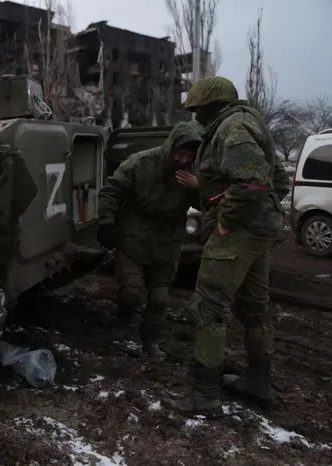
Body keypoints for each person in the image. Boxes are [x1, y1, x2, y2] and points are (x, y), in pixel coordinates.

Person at [172, 76, 290, 418]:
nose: (196, 117)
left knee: (208, 307)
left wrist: (228, 218)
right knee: (254, 307)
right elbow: (277, 181)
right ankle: (257, 382)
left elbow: (252, 181)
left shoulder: (232, 128)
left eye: (198, 110)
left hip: (240, 232)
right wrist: (262, 213)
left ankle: (205, 396)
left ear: (211, 106)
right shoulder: (252, 123)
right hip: (260, 232)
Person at [96, 121, 203, 357]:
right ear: (170, 148)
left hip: (167, 243)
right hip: (134, 238)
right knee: (132, 292)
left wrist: (197, 187)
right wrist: (106, 223)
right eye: (180, 154)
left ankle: (150, 341)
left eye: (189, 156)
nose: (184, 160)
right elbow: (111, 191)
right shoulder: (140, 163)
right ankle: (122, 321)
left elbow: (207, 202)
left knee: (159, 298)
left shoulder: (194, 172)